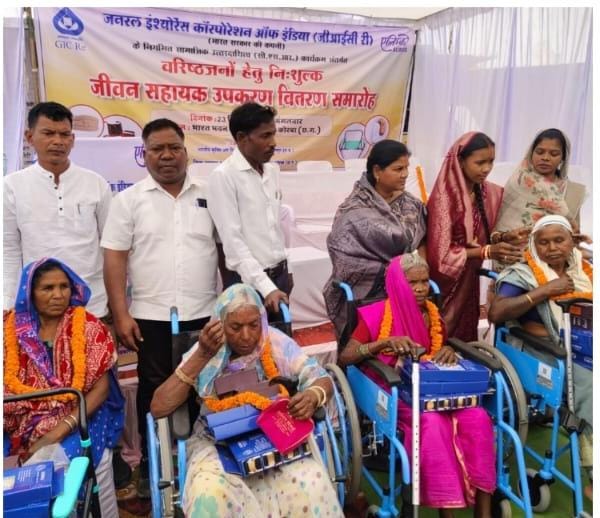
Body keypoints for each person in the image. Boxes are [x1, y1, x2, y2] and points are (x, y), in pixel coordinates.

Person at [151, 284, 344, 518]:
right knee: (210, 492)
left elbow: (320, 377)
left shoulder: (274, 342)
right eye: (235, 327)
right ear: (221, 324)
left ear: (261, 320)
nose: (246, 336)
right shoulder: (207, 349)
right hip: (216, 442)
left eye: (253, 325)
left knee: (312, 482)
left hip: (274, 436)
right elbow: (159, 406)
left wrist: (313, 395)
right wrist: (202, 355)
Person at [102, 118, 221, 497]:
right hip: (149, 318)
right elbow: (115, 259)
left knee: (204, 388)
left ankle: (202, 467)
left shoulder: (210, 195)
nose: (167, 156)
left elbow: (225, 251)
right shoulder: (128, 201)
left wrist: (227, 306)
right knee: (153, 392)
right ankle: (153, 467)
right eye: (157, 149)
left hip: (204, 315)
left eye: (174, 148)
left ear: (186, 151)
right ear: (145, 154)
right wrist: (121, 314)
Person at [339, 252, 496, 517]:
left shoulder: (433, 314)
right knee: (433, 422)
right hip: (395, 390)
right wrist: (383, 343)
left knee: (478, 417)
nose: (422, 288)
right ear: (398, 283)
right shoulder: (377, 315)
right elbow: (346, 356)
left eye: (424, 281)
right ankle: (446, 511)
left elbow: (438, 347)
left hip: (433, 386)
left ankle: (484, 511)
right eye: (412, 283)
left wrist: (448, 351)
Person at [3, 258, 124, 516]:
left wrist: (56, 433)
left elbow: (100, 390)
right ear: (30, 293)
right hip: (18, 419)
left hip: (80, 415)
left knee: (61, 460)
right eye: (47, 288)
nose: (58, 295)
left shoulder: (89, 326)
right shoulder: (9, 330)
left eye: (64, 287)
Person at [488, 214, 593, 498]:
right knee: (590, 384)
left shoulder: (583, 269)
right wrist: (545, 290)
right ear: (534, 245)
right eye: (544, 242)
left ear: (572, 241)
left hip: (585, 346)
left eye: (559, 240)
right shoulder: (522, 274)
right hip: (545, 351)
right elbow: (496, 313)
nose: (552, 248)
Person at [3, 101, 112, 318]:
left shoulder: (96, 183)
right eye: (48, 133)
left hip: (92, 305)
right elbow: (9, 251)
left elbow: (110, 247)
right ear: (29, 137)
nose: (57, 141)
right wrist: (7, 304)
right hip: (39, 308)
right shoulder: (11, 186)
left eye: (64, 134)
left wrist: (115, 306)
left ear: (73, 139)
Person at [426, 132, 529, 342]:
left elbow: (484, 234)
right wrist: (486, 251)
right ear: (460, 161)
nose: (486, 169)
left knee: (466, 337)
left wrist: (505, 236)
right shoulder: (444, 198)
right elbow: (440, 257)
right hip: (447, 284)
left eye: (491, 161)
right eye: (480, 162)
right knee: (440, 334)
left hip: (471, 279)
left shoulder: (488, 192)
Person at [324, 139, 427, 337]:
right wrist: (393, 273)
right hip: (364, 293)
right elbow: (343, 255)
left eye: (407, 168)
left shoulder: (412, 205)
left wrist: (416, 275)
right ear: (377, 171)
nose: (405, 174)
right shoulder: (353, 209)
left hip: (407, 289)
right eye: (398, 169)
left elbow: (423, 241)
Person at [208, 102, 293, 316]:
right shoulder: (224, 176)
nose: (273, 143)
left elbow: (275, 229)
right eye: (265, 136)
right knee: (250, 338)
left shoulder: (272, 170)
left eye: (273, 134)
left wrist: (286, 269)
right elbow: (233, 243)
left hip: (279, 276)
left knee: (280, 336)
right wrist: (266, 287)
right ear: (241, 138)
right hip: (248, 282)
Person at [493, 128, 588, 271]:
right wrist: (503, 237)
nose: (545, 158)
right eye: (540, 152)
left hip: (557, 266)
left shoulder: (573, 191)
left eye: (554, 154)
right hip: (514, 263)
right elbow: (497, 231)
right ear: (531, 153)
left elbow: (574, 235)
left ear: (563, 158)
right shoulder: (518, 183)